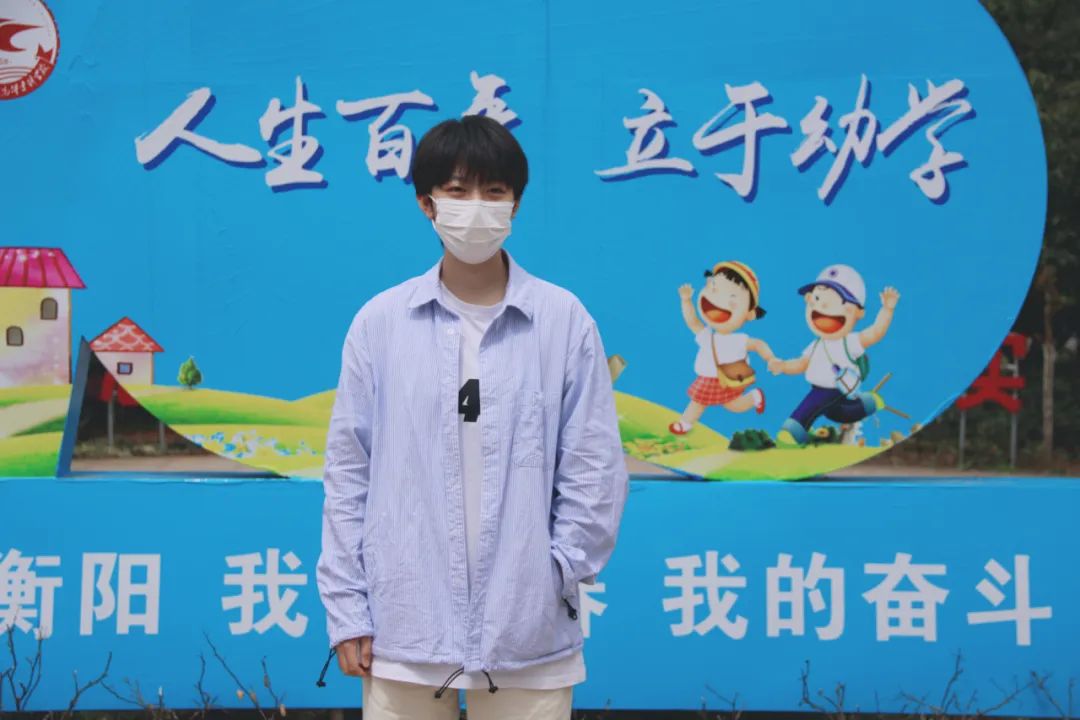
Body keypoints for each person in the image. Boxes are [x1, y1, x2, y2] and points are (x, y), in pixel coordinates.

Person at [315, 114, 629, 720]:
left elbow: (594, 466)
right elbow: (349, 474)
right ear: (426, 203)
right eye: (458, 191)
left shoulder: (563, 320)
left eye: (494, 191)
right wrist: (349, 607)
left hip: (529, 633)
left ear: (516, 203)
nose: (476, 207)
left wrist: (553, 573)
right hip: (403, 626)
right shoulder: (380, 325)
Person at [768, 264, 900, 446]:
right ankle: (868, 403)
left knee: (811, 405)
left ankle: (793, 431)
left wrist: (887, 309)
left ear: (858, 312)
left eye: (836, 302)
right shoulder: (816, 345)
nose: (822, 306)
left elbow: (876, 332)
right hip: (824, 390)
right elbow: (802, 363)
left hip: (833, 388)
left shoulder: (850, 341)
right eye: (817, 298)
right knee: (840, 413)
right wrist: (783, 366)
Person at [668, 260, 772, 436]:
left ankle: (755, 396)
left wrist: (770, 358)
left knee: (733, 406)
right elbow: (693, 322)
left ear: (750, 314)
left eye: (732, 299)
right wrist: (686, 301)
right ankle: (685, 423)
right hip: (708, 379)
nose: (717, 301)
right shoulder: (707, 335)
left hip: (729, 379)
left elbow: (758, 344)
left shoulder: (739, 339)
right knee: (700, 401)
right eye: (713, 288)